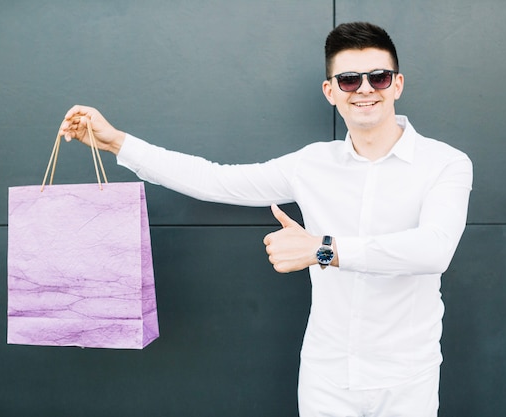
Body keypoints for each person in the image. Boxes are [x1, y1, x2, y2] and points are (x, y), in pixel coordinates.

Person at [59, 21, 472, 417]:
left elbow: (433, 250)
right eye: (349, 80)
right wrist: (116, 142)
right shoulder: (310, 165)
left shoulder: (446, 163)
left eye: (378, 77)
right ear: (331, 92)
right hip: (326, 376)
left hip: (408, 378)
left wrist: (323, 250)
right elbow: (215, 179)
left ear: (397, 84)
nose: (364, 89)